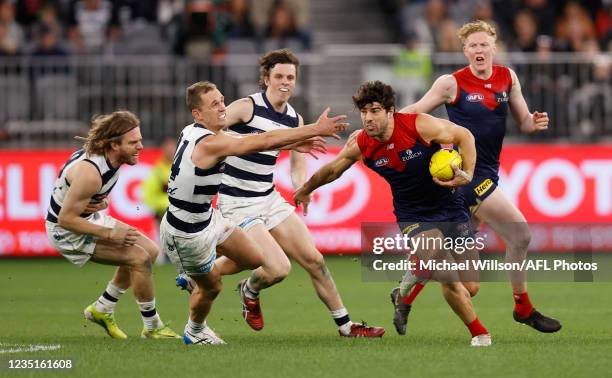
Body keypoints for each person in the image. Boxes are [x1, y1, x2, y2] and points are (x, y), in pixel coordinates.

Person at [179, 49, 383, 338]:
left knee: (315, 260)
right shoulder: (246, 107)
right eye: (279, 76)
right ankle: (237, 285)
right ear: (266, 79)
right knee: (276, 269)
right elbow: (212, 131)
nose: (285, 82)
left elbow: (297, 162)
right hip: (238, 202)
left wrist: (301, 187)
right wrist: (263, 141)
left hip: (269, 198)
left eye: (290, 77)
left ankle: (346, 326)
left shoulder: (294, 118)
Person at [294, 80, 491, 346]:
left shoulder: (418, 125)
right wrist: (306, 189)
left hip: (450, 206)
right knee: (441, 264)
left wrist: (466, 175)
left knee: (471, 287)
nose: (368, 118)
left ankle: (403, 293)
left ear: (390, 111)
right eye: (364, 112)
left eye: (375, 110)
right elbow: (332, 170)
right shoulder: (362, 143)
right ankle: (480, 334)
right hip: (413, 213)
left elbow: (464, 136)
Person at [395, 20, 561, 334]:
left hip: (488, 172)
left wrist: (534, 121)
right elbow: (416, 110)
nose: (479, 50)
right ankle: (523, 307)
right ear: (465, 50)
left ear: (494, 47)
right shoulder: (450, 83)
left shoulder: (507, 78)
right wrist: (385, 123)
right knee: (520, 234)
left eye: (484, 44)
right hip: (465, 175)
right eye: (473, 45)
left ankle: (405, 294)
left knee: (468, 284)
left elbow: (523, 121)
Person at [160, 81, 348, 345]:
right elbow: (263, 140)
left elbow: (248, 140)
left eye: (222, 100)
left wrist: (292, 144)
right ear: (198, 114)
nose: (223, 107)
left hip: (207, 217)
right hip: (187, 231)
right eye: (214, 104)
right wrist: (316, 129)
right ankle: (195, 330)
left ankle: (207, 277)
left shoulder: (192, 131)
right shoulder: (212, 143)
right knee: (212, 287)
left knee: (255, 257)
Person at [44, 110, 179, 340]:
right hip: (66, 232)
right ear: (114, 145)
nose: (141, 147)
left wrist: (98, 201)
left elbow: (70, 183)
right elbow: (65, 219)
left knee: (152, 251)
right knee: (139, 258)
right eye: (134, 142)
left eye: (140, 140)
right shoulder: (92, 172)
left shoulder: (108, 159)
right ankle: (152, 326)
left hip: (86, 219)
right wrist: (110, 233)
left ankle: (102, 308)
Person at [142, 136, 176, 263]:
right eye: (169, 148)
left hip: (179, 210)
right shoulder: (158, 170)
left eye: (173, 148)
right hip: (163, 212)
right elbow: (149, 194)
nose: (171, 151)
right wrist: (163, 204)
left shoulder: (183, 167)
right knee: (165, 241)